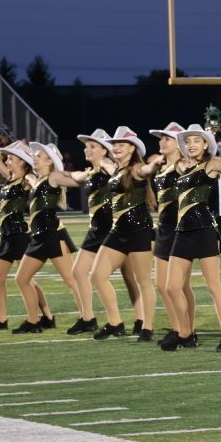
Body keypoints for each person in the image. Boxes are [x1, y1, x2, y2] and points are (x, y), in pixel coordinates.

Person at [46, 128, 142, 336]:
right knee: (79, 272)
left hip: (113, 228)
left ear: (104, 150)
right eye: (86, 147)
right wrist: (53, 170)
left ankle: (139, 319)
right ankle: (89, 319)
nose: (86, 150)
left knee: (129, 276)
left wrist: (110, 164)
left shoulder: (108, 167)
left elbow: (118, 170)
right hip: (96, 230)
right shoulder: (91, 172)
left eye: (92, 146)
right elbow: (71, 176)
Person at [158, 124, 221, 351]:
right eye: (188, 141)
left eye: (196, 141)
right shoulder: (182, 166)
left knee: (213, 286)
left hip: (204, 231)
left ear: (206, 144)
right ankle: (185, 333)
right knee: (172, 286)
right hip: (182, 232)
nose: (191, 145)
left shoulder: (211, 164)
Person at [89, 127, 157, 340]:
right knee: (97, 276)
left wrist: (155, 164)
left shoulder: (137, 167)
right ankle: (115, 323)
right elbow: (106, 164)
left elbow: (146, 172)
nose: (116, 147)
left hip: (140, 231)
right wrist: (95, 153)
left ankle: (147, 327)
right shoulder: (117, 169)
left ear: (133, 148)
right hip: (118, 232)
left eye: (122, 144)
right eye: (114, 144)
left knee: (143, 281)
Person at [11, 142, 83, 334]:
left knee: (71, 279)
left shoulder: (54, 176)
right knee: (22, 278)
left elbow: (77, 181)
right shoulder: (40, 179)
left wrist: (84, 174)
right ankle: (34, 322)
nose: (34, 157)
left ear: (50, 161)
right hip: (38, 237)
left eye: (39, 155)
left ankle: (87, 317)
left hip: (53, 235)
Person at [0, 142, 49, 331]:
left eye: (12, 158)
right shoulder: (10, 177)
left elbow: (37, 184)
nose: (8, 160)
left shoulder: (26, 180)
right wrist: (14, 148)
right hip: (6, 235)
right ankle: (2, 320)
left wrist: (25, 154)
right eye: (9, 158)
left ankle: (45, 316)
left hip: (20, 235)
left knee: (26, 280)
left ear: (22, 161)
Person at [146, 122, 195, 345]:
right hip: (163, 228)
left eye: (167, 139)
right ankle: (179, 327)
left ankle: (186, 331)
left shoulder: (182, 165)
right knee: (162, 285)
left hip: (179, 229)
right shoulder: (164, 166)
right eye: (161, 138)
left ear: (178, 143)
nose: (161, 142)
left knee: (178, 286)